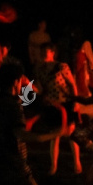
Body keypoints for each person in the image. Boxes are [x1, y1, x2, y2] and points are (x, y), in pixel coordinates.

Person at [37, 43, 81, 175]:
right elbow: (40, 88)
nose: (44, 54)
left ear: (53, 53)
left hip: (66, 102)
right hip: (52, 104)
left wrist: (76, 101)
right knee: (54, 135)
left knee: (71, 133)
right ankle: (54, 165)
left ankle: (77, 163)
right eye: (42, 51)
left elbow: (72, 84)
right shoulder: (40, 69)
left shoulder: (61, 66)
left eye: (47, 51)